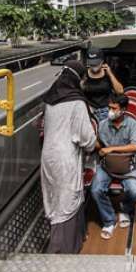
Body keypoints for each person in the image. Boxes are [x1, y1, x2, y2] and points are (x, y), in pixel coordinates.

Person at [40, 60, 97, 254]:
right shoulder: (77, 102)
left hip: (48, 157)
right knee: (67, 202)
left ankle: (71, 240)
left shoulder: (50, 99)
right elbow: (87, 139)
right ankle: (61, 251)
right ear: (78, 79)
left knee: (53, 200)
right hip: (66, 159)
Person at [90, 94, 136, 240]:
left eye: (114, 108)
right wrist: (91, 141)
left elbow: (135, 146)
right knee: (95, 190)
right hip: (106, 166)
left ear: (123, 110)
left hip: (127, 166)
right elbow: (100, 144)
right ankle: (109, 220)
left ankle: (124, 208)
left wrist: (112, 149)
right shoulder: (102, 125)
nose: (110, 111)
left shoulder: (132, 124)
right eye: (109, 107)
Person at [85, 47, 124, 121]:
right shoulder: (84, 74)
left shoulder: (108, 74)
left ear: (102, 61)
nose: (94, 66)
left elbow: (120, 91)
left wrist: (110, 74)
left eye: (96, 63)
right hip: (89, 111)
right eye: (92, 64)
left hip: (105, 111)